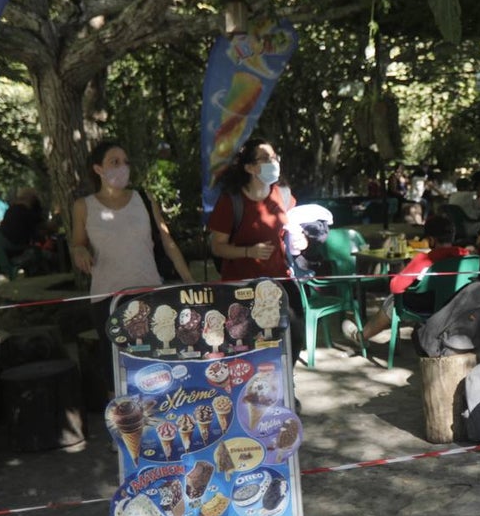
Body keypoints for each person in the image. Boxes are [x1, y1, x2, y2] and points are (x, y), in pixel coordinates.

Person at [71, 141, 195, 384]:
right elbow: (77, 243)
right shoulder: (83, 206)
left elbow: (167, 241)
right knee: (117, 374)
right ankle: (121, 420)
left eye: (125, 162)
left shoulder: (144, 199)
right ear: (98, 169)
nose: (122, 167)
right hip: (108, 299)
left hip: (149, 293)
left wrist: (189, 280)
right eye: (114, 162)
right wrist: (79, 252)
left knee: (158, 369)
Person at [208, 137, 308, 354]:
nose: (273, 162)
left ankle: (286, 380)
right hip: (241, 287)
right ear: (250, 167)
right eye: (265, 158)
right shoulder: (231, 201)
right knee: (246, 345)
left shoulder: (283, 193)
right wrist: (248, 252)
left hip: (279, 281)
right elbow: (217, 247)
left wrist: (300, 240)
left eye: (275, 157)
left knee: (295, 335)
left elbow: (292, 229)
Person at [341, 214, 470, 345]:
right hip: (457, 303)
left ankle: (361, 337)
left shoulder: (424, 259)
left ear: (431, 240)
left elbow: (395, 287)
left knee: (392, 301)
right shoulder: (467, 256)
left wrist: (403, 271)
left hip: (428, 307)